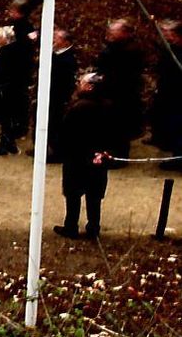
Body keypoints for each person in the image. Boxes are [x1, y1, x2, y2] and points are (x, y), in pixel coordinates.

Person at [54, 73, 113, 240]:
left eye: (81, 82)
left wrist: (61, 150)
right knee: (94, 195)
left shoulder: (79, 107)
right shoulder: (108, 106)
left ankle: (71, 226)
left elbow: (66, 132)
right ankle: (93, 227)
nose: (78, 84)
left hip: (77, 157)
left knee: (73, 194)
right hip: (98, 157)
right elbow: (114, 133)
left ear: (89, 87)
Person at [95, 19, 145, 162]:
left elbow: (122, 74)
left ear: (125, 33)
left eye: (114, 32)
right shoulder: (114, 47)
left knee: (120, 126)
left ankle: (119, 155)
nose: (110, 34)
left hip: (121, 94)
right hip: (112, 91)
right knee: (111, 126)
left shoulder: (130, 50)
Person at [0, 0, 36, 156]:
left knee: (9, 110)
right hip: (15, 75)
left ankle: (7, 142)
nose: (10, 13)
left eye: (12, 11)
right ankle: (7, 140)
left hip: (13, 76)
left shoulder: (22, 30)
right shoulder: (23, 29)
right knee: (7, 111)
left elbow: (18, 52)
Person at [150, 20, 182, 171]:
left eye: (168, 34)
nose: (166, 36)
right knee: (172, 126)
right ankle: (175, 154)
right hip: (169, 92)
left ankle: (179, 158)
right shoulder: (169, 48)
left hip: (177, 94)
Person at [48, 28, 78, 162]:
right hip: (52, 94)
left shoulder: (67, 59)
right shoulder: (57, 54)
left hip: (59, 97)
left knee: (57, 124)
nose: (54, 39)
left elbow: (65, 81)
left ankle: (57, 153)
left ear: (65, 42)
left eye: (57, 38)